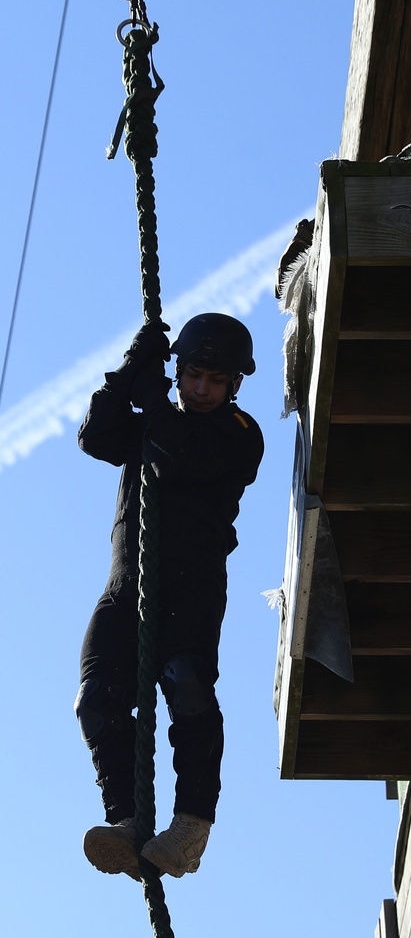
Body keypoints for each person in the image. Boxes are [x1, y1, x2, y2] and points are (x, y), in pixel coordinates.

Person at [75, 312, 264, 880]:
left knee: (188, 688)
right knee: (96, 699)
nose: (202, 389)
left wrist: (154, 397)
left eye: (215, 379)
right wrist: (130, 369)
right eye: (193, 375)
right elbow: (97, 435)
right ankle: (127, 822)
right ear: (179, 372)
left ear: (234, 384)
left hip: (191, 587)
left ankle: (190, 827)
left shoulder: (238, 433)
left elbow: (179, 454)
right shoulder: (155, 420)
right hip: (126, 585)